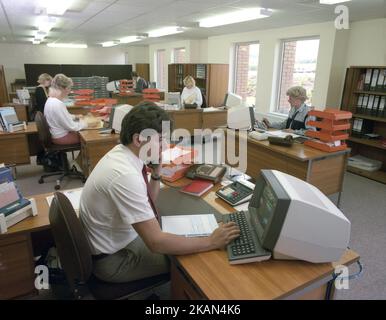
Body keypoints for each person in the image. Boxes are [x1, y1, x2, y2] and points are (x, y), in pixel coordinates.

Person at [79, 101, 240, 283]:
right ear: (139, 139)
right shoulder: (124, 175)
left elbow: (149, 202)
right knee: (196, 260)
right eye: (161, 139)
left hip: (121, 241)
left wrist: (156, 172)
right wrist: (211, 241)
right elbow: (156, 242)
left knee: (184, 239)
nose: (166, 145)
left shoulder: (122, 154)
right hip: (117, 260)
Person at [44, 74, 87, 145]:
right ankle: (83, 156)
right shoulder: (57, 104)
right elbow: (71, 126)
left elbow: (62, 117)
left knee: (84, 136)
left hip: (56, 134)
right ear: (63, 88)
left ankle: (82, 156)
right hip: (61, 137)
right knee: (87, 137)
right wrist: (86, 123)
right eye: (69, 88)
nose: (69, 91)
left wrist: (75, 116)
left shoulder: (50, 100)